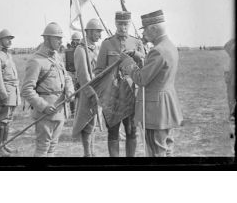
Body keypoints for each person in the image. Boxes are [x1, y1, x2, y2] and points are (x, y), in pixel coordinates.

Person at [120, 10, 183, 157]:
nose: (144, 34)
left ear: (154, 29)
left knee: (155, 151)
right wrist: (138, 56)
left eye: (145, 30)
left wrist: (127, 62)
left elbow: (141, 79)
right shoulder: (168, 46)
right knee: (166, 149)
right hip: (166, 106)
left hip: (155, 110)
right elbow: (157, 70)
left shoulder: (158, 50)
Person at [94, 11, 145, 157]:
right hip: (112, 95)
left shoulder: (137, 43)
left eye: (126, 24)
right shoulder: (107, 44)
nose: (123, 27)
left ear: (129, 24)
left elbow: (145, 67)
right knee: (113, 132)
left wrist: (136, 54)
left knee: (131, 131)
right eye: (120, 24)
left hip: (132, 94)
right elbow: (98, 71)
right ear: (115, 23)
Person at [21, 22, 74, 157]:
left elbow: (66, 77)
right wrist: (43, 106)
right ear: (46, 39)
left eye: (61, 38)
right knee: (43, 148)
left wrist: (69, 90)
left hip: (60, 109)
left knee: (52, 148)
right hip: (45, 112)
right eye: (57, 38)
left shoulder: (57, 57)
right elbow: (27, 89)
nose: (60, 41)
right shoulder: (36, 60)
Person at [72, 19, 104, 156]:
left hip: (98, 91)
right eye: (97, 31)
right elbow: (83, 76)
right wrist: (92, 94)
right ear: (89, 32)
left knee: (93, 122)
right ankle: (87, 153)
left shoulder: (95, 48)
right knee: (86, 123)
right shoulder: (81, 50)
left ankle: (92, 151)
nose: (100, 35)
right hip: (88, 92)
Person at [0, 29, 20, 156]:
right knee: (2, 120)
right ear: (0, 40)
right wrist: (3, 94)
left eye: (11, 38)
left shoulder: (8, 55)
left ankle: (4, 145)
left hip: (13, 90)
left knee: (8, 119)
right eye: (7, 38)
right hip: (6, 91)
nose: (10, 40)